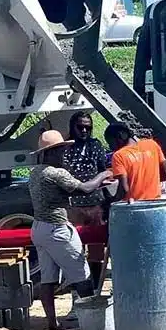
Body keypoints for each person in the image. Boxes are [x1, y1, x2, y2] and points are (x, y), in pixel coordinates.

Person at [29, 129, 112, 330]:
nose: (64, 154)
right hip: (57, 230)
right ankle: (91, 323)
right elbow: (84, 189)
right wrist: (103, 174)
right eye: (60, 150)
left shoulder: (35, 173)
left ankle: (52, 323)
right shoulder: (56, 173)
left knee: (48, 279)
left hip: (39, 228)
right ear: (51, 153)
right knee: (81, 275)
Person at [60, 111, 111, 290]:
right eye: (80, 127)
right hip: (73, 206)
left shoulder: (96, 145)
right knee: (74, 252)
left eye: (87, 127)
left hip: (95, 204)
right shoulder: (65, 148)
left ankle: (95, 290)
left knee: (96, 251)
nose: (84, 130)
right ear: (72, 127)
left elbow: (103, 170)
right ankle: (78, 295)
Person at [104, 122, 166, 202]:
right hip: (155, 203)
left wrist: (112, 200)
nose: (111, 147)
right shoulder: (152, 144)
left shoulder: (119, 155)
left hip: (134, 206)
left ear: (120, 136)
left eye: (111, 142)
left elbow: (124, 189)